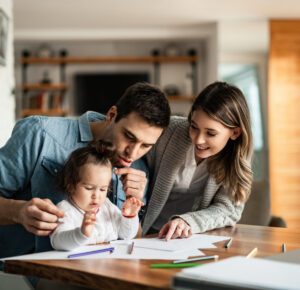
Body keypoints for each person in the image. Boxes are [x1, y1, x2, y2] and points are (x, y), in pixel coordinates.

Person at [0, 82, 170, 261]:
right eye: (129, 137)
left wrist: (131, 208)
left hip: (107, 271)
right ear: (111, 115)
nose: (133, 154)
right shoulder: (40, 133)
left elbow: (132, 243)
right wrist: (18, 212)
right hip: (32, 271)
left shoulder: (138, 168)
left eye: (145, 145)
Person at [142, 81, 253, 241]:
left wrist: (189, 221)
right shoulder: (168, 132)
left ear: (235, 133)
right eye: (194, 126)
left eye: (210, 133)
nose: (199, 140)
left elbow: (228, 210)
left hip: (188, 240)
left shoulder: (237, 159)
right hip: (145, 235)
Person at [50, 141, 143, 250]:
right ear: (71, 186)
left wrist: (129, 217)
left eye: (103, 189)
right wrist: (81, 233)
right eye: (89, 188)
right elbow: (57, 242)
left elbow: (126, 235)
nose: (96, 196)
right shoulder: (65, 210)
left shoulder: (107, 207)